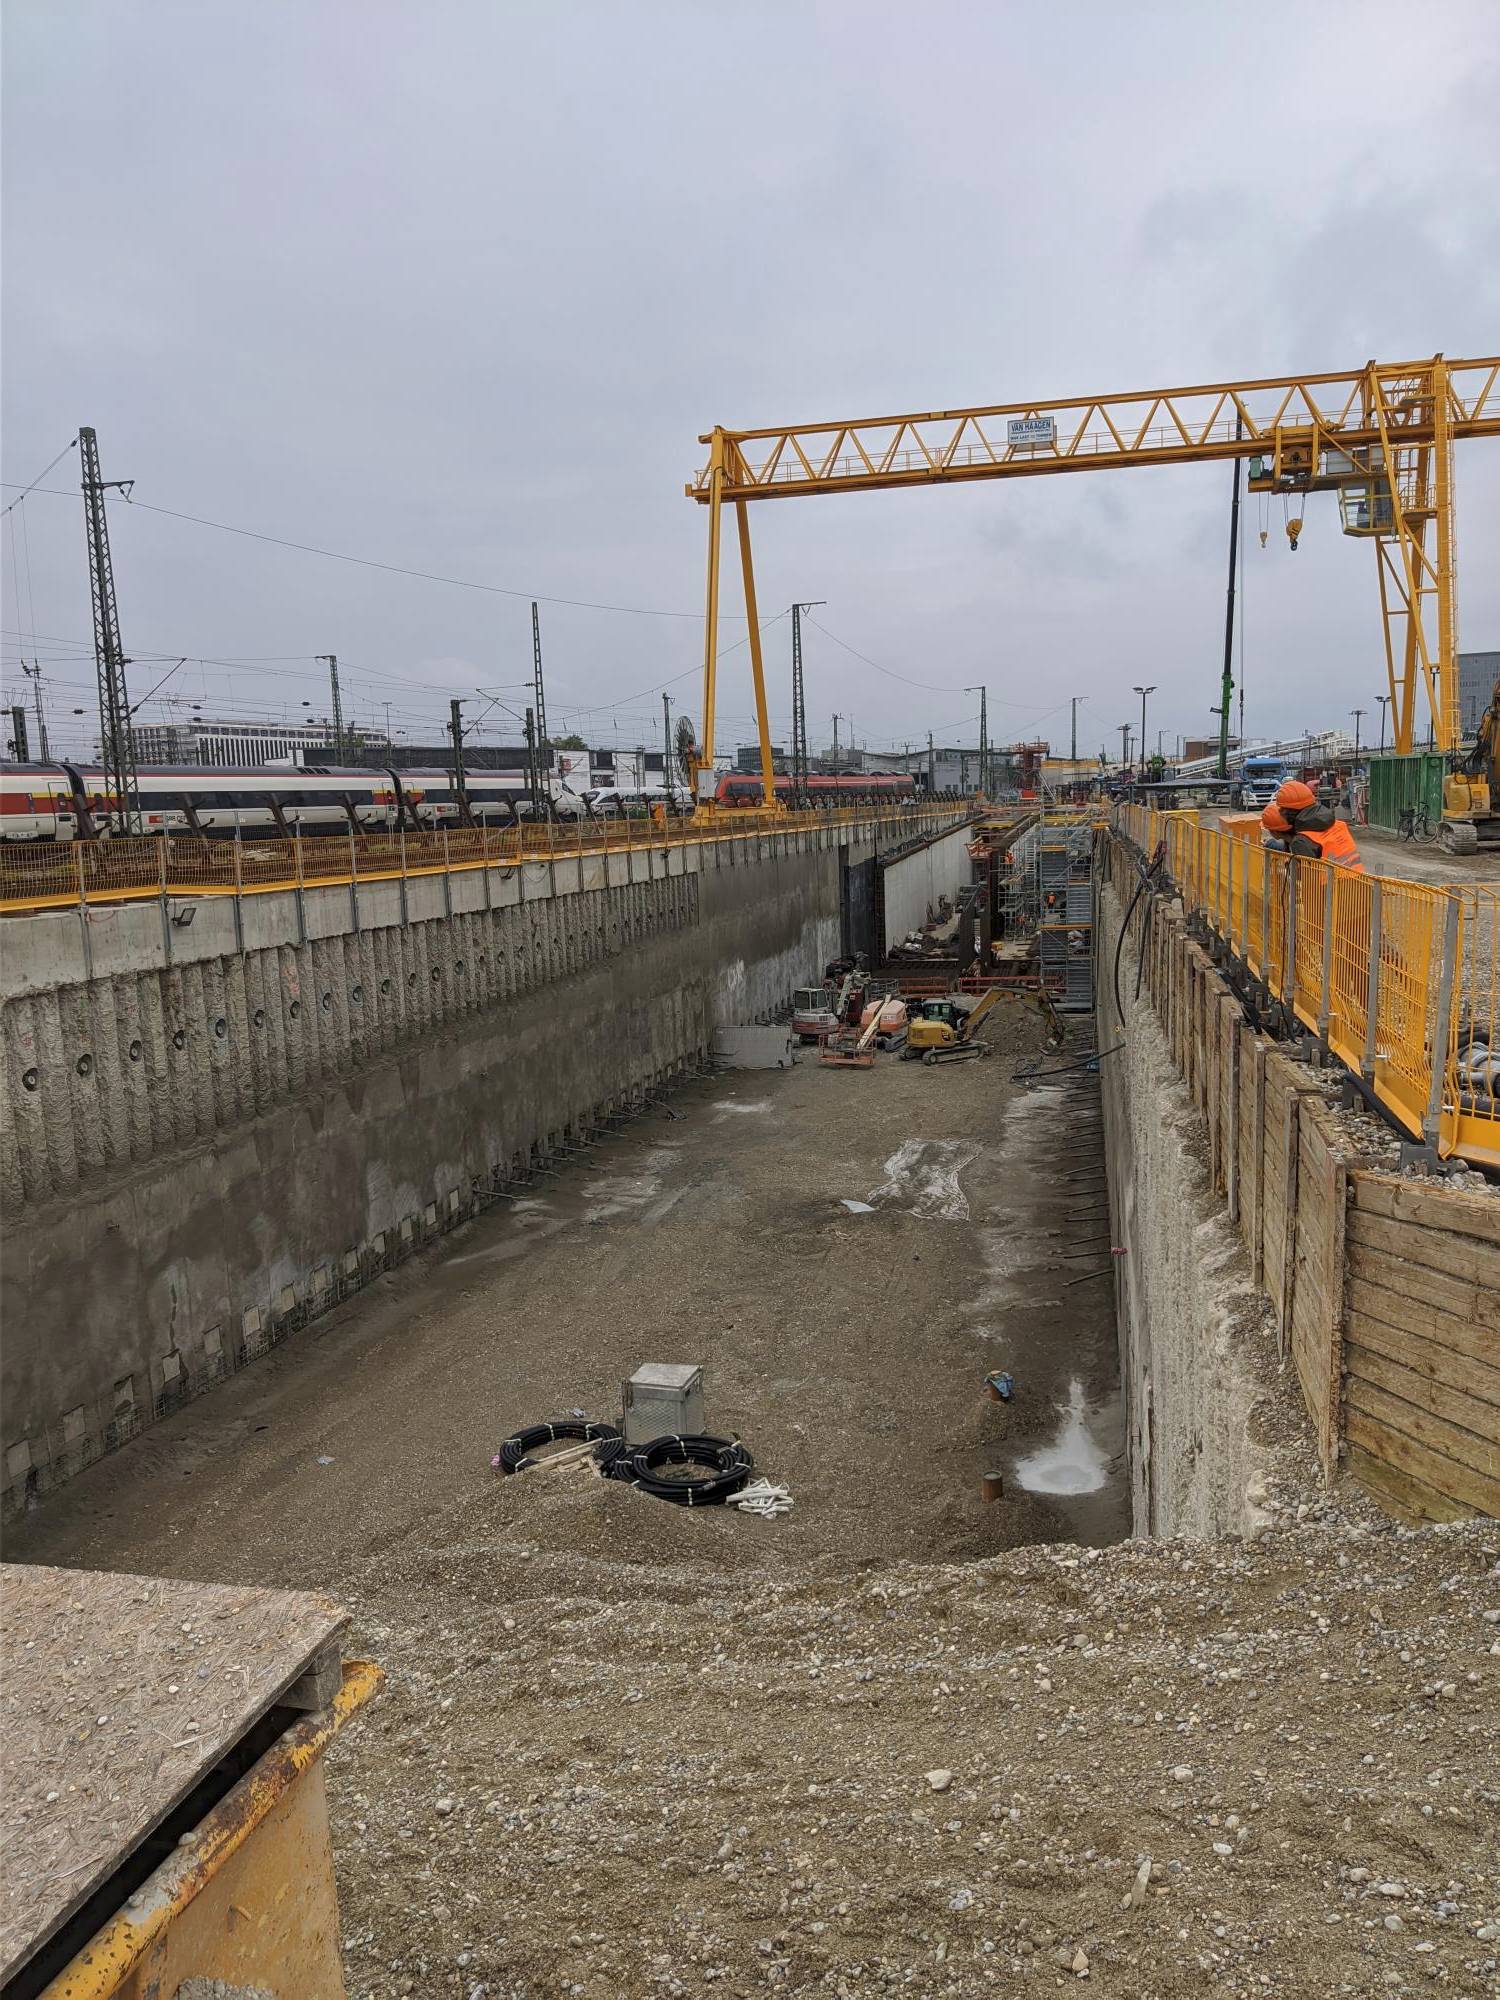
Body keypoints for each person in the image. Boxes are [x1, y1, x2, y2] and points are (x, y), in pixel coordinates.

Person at [1262, 779, 1363, 870]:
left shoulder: (1302, 840)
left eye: (1283, 810)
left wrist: (1289, 865)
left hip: (1328, 888)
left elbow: (1304, 876)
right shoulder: (1339, 825)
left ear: (1291, 811)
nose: (1281, 813)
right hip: (1358, 885)